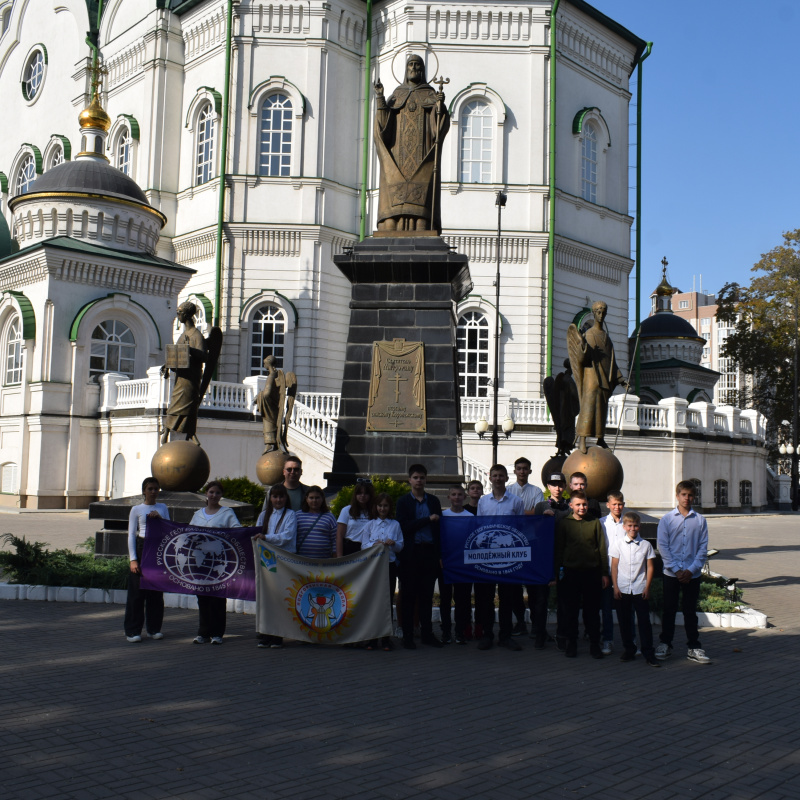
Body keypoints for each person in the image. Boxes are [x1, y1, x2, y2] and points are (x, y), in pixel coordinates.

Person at [374, 54, 449, 233]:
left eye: (417, 65)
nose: (414, 68)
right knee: (395, 197)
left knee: (421, 201)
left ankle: (421, 225)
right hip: (398, 157)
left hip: (421, 156)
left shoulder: (429, 94)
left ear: (422, 71)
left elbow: (437, 128)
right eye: (411, 65)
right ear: (406, 70)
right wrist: (380, 99)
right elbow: (383, 127)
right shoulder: (396, 96)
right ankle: (393, 225)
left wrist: (438, 107)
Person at [656, 480, 711, 664]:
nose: (687, 498)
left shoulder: (700, 520)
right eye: (684, 494)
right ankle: (665, 644)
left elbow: (703, 549)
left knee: (690, 611)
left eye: (690, 495)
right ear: (677, 495)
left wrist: (691, 570)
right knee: (669, 610)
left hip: (692, 574)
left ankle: (694, 647)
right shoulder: (667, 520)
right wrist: (677, 570)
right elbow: (662, 546)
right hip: (672, 574)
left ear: (694, 497)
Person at [554, 490, 609, 659]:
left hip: (591, 573)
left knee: (591, 611)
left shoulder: (594, 522)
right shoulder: (564, 523)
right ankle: (572, 643)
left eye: (584, 504)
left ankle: (594, 644)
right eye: (578, 504)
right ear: (571, 505)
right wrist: (556, 573)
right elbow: (559, 549)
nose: (582, 507)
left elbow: (601, 548)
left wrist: (604, 573)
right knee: (570, 611)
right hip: (570, 574)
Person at [475, 464, 525, 652]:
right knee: (486, 598)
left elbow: (520, 528)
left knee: (507, 597)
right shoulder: (483, 502)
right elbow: (479, 527)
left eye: (501, 475)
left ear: (506, 478)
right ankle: (487, 635)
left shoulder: (516, 501)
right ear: (490, 478)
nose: (497, 478)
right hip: (487, 556)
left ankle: (505, 636)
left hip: (508, 557)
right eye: (494, 475)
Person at [567, 299, 626, 453]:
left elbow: (611, 360)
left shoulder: (606, 337)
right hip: (592, 377)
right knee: (588, 406)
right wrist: (584, 349)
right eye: (598, 312)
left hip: (605, 379)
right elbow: (581, 359)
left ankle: (600, 437)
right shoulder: (589, 334)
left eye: (603, 312)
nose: (601, 315)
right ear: (593, 313)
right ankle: (582, 439)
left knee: (601, 409)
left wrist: (621, 379)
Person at [396, 464, 443, 649]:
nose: (419, 480)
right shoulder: (403, 502)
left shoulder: (433, 501)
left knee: (426, 595)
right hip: (411, 553)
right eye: (415, 477)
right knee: (408, 595)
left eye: (422, 477)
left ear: (426, 479)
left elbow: (438, 530)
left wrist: (439, 554)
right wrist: (426, 519)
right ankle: (408, 635)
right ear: (409, 480)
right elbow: (403, 526)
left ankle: (427, 634)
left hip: (429, 552)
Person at [190, 481, 241, 645]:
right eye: (211, 492)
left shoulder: (227, 513)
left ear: (221, 495)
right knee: (203, 598)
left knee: (217, 598)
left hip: (219, 563)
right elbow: (189, 534)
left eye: (217, 493)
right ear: (206, 493)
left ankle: (217, 633)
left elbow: (237, 530)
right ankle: (203, 633)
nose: (214, 495)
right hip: (201, 563)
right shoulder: (197, 514)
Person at [610, 511, 660, 667]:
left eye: (636, 525)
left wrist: (647, 586)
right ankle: (629, 650)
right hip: (623, 588)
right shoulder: (618, 544)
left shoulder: (645, 545)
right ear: (624, 527)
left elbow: (650, 567)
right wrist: (615, 587)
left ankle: (648, 653)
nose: (633, 528)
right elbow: (614, 566)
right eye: (630, 525)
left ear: (640, 526)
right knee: (624, 621)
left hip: (639, 588)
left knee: (644, 622)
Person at [124, 477, 169, 643]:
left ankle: (154, 628)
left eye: (156, 489)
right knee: (137, 593)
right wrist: (133, 559)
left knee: (155, 593)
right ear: (144, 490)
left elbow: (169, 529)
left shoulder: (163, 508)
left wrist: (160, 519)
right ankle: (133, 631)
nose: (153, 492)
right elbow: (131, 534)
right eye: (150, 489)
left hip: (157, 549)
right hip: (143, 546)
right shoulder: (136, 509)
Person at [255, 484, 298, 648]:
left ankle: (278, 634)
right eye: (275, 496)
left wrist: (266, 537)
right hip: (266, 559)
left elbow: (286, 536)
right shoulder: (264, 515)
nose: (278, 500)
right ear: (270, 498)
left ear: (286, 498)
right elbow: (256, 532)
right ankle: (265, 632)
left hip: (283, 560)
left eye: (281, 497)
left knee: (280, 596)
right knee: (266, 596)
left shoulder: (290, 515)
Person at [507, 457, 545, 636]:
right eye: (519, 468)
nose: (522, 471)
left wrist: (518, 514)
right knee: (514, 587)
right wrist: (526, 514)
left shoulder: (537, 491)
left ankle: (537, 625)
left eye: (525, 469)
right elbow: (507, 515)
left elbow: (538, 514)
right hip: (512, 544)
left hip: (531, 542)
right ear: (514, 471)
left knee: (533, 586)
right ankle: (520, 621)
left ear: (530, 471)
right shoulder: (508, 491)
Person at [361, 492, 404, 651]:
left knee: (387, 600)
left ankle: (386, 638)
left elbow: (401, 546)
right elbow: (363, 545)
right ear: (375, 507)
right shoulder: (370, 525)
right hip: (373, 567)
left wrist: (393, 543)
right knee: (374, 601)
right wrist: (374, 544)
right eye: (380, 505)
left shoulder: (395, 525)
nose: (382, 508)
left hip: (389, 565)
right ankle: (372, 637)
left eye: (385, 506)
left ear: (389, 507)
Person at [161, 301, 207, 445]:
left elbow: (204, 356)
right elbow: (177, 354)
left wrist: (190, 350)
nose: (178, 316)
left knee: (189, 405)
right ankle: (168, 429)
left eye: (179, 313)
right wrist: (167, 365)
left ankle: (191, 433)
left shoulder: (196, 335)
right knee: (174, 403)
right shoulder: (183, 335)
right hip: (181, 376)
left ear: (186, 315)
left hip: (191, 378)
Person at [441, 485, 474, 645]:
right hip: (446, 563)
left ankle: (460, 631)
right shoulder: (443, 516)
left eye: (459, 494)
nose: (456, 497)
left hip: (463, 563)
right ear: (449, 497)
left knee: (463, 600)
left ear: (464, 497)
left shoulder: (470, 517)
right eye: (453, 494)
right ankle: (446, 631)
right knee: (445, 599)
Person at [599, 491, 625, 654]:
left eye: (620, 504)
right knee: (606, 609)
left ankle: (631, 640)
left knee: (626, 610)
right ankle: (607, 639)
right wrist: (603, 572)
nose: (617, 507)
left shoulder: (627, 523)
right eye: (614, 504)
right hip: (607, 573)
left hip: (624, 574)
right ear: (608, 505)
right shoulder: (601, 523)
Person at [294, 486, 337, 559]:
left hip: (323, 562)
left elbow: (335, 540)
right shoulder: (297, 515)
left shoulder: (330, 517)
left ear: (322, 499)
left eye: (317, 498)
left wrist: (335, 558)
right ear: (306, 499)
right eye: (311, 498)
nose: (314, 500)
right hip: (301, 562)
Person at [336, 480, 375, 556]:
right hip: (350, 548)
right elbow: (339, 535)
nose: (362, 496)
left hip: (368, 548)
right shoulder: (346, 510)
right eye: (359, 493)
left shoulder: (374, 511)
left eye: (366, 493)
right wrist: (339, 557)